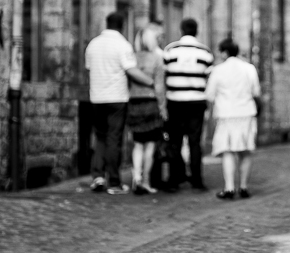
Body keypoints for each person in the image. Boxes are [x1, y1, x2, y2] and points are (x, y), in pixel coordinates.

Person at [85, 12, 153, 195]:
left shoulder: (93, 44)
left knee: (100, 137)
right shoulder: (122, 44)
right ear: (122, 25)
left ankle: (98, 176)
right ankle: (114, 182)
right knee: (114, 138)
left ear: (106, 23)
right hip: (116, 98)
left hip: (96, 97)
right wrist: (151, 82)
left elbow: (89, 68)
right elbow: (131, 70)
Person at [205, 38, 262, 200]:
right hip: (246, 113)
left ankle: (229, 188)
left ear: (224, 52)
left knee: (228, 150)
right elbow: (256, 92)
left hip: (226, 115)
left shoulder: (218, 70)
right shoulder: (249, 68)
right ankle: (243, 187)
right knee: (246, 151)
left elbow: (209, 95)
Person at [163, 18, 214, 191]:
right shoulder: (205, 52)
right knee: (195, 142)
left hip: (175, 102)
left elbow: (164, 75)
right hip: (196, 102)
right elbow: (209, 77)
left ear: (181, 30)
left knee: (175, 141)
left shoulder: (170, 50)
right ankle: (197, 180)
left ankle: (174, 179)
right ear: (196, 31)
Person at [127, 25, 167, 195]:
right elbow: (159, 87)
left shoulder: (131, 58)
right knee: (150, 146)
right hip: (150, 103)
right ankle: (146, 181)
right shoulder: (156, 58)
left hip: (134, 103)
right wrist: (163, 108)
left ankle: (136, 178)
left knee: (137, 144)